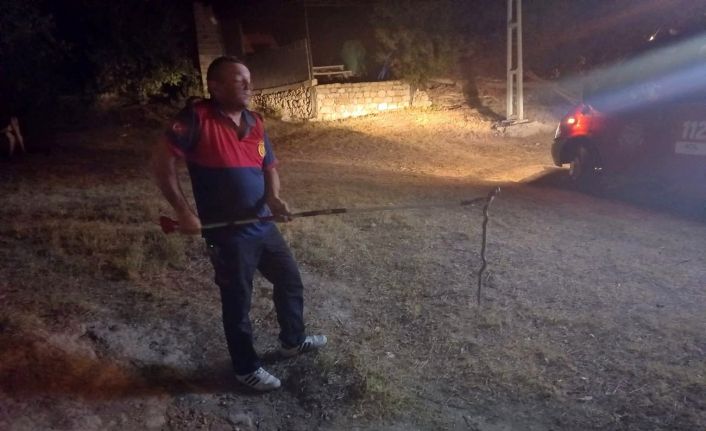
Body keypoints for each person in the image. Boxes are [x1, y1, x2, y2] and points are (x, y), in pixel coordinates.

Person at [151, 56, 326, 391]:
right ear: (215, 86)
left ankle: (292, 341)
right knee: (237, 301)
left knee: (290, 281)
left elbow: (268, 167)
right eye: (238, 80)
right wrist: (184, 211)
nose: (248, 85)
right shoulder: (196, 118)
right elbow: (162, 160)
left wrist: (274, 198)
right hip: (228, 234)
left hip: (263, 225)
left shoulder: (255, 121)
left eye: (249, 78)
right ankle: (245, 368)